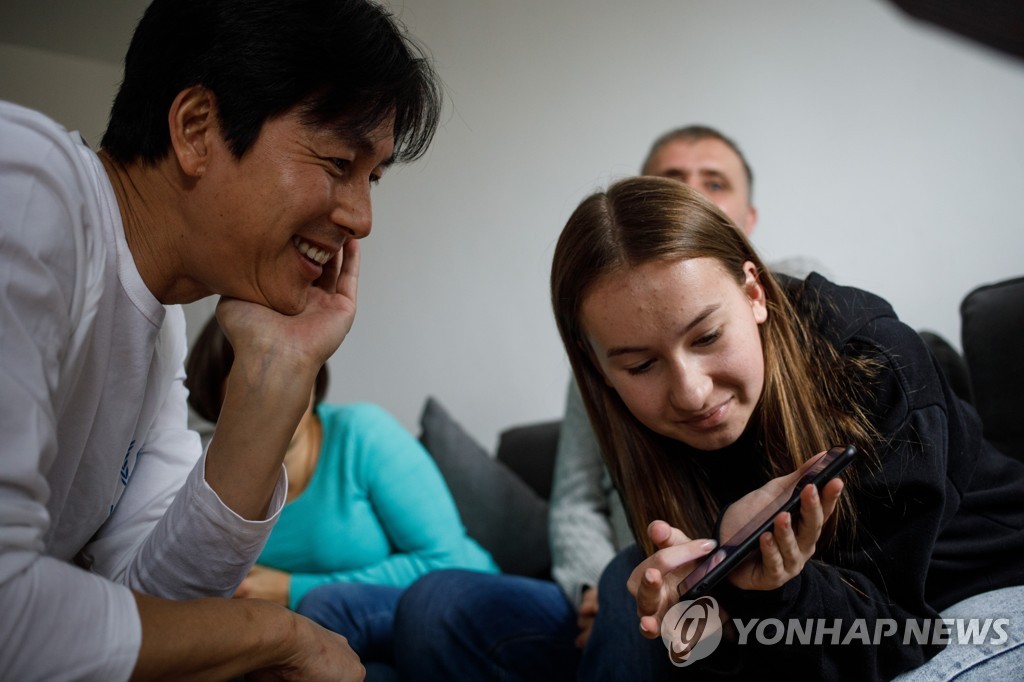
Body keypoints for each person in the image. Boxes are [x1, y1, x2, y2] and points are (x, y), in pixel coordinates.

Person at [0, 0, 441, 679]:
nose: (361, 218)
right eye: (337, 163)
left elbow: (151, 612)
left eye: (372, 179)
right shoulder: (30, 183)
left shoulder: (160, 335)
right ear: (197, 129)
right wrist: (277, 635)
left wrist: (276, 372)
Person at [550, 175, 1024, 680]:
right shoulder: (632, 426)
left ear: (754, 292)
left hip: (979, 594)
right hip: (838, 629)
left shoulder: (871, 358)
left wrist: (778, 591)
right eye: (641, 366)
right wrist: (706, 625)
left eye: (707, 336)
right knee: (629, 578)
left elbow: (902, 635)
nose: (691, 394)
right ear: (599, 368)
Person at [392, 125, 766, 681]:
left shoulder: (799, 302)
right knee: (432, 605)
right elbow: (574, 501)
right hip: (612, 599)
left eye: (713, 182)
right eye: (671, 182)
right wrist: (594, 589)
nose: (690, 195)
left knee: (634, 585)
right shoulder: (600, 360)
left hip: (720, 609)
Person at [184, 315, 499, 678]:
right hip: (344, 648)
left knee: (323, 610)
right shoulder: (205, 477)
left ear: (315, 379)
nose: (277, 394)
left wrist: (293, 589)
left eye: (292, 371)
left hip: (460, 611)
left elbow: (447, 560)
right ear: (218, 404)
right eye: (251, 382)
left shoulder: (361, 435)